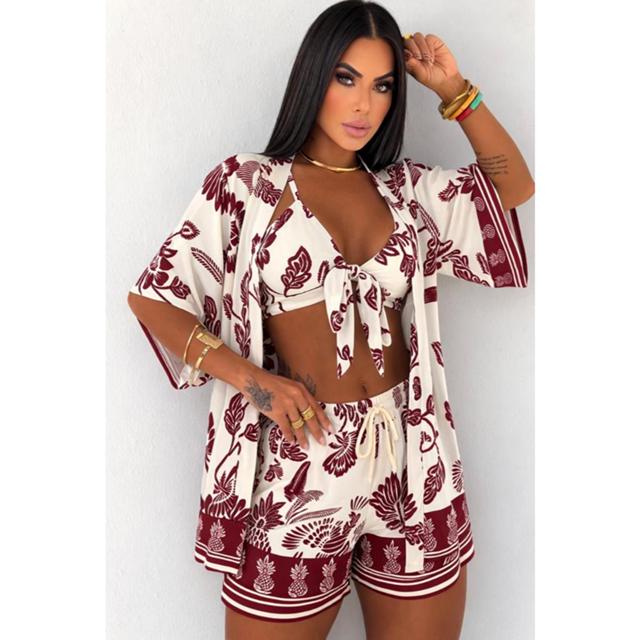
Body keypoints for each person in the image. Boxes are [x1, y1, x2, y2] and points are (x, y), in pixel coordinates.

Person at [127, 1, 533, 638]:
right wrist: (256, 382)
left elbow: (512, 189)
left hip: (413, 460)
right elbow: (154, 298)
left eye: (382, 85)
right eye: (346, 78)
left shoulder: (405, 192)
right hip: (299, 463)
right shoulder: (247, 186)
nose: (363, 104)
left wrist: (454, 89)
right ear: (313, 76)